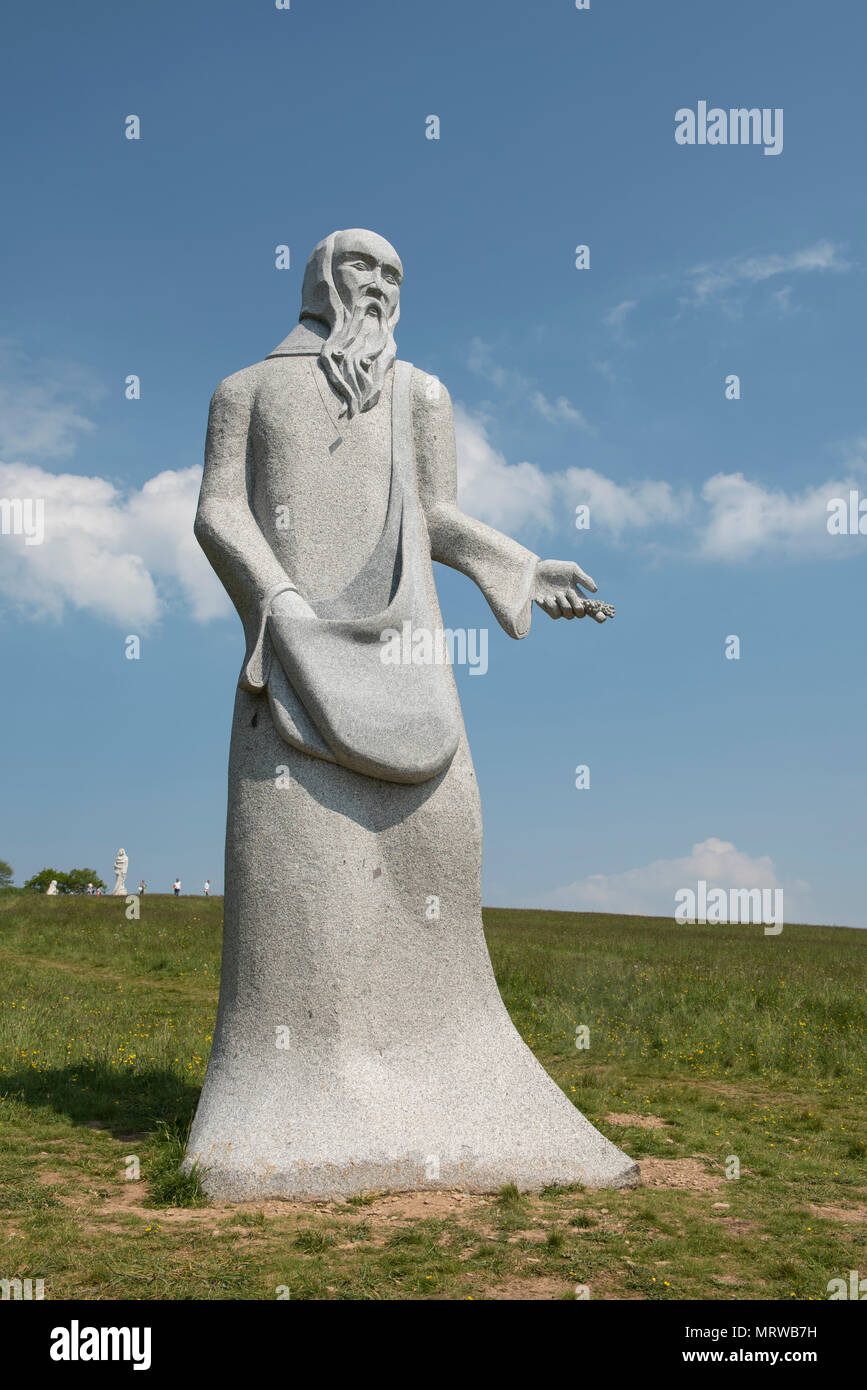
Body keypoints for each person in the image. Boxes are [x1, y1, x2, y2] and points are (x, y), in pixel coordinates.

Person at [185, 229, 634, 1198]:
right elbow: (219, 510)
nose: (380, 287)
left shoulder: (421, 394)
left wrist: (519, 563)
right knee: (302, 887)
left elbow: (435, 513)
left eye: (394, 274)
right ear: (320, 279)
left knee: (433, 859)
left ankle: (457, 1089)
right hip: (289, 666)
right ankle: (288, 1096)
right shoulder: (248, 391)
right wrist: (283, 606)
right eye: (363, 270)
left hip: (410, 668)